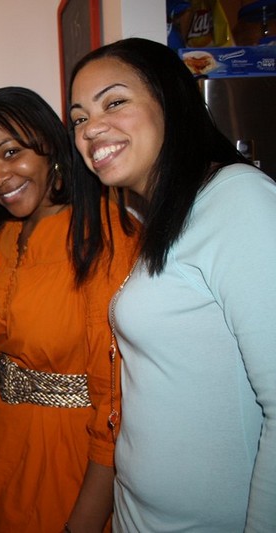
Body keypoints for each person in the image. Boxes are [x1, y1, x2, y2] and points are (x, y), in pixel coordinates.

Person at [69, 37, 276, 532]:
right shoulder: (161, 219)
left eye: (113, 103)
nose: (90, 128)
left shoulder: (239, 200)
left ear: (170, 100)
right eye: (78, 118)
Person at [0, 87, 137, 533]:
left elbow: (117, 403)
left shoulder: (105, 233)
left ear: (50, 147)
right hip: (0, 442)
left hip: (69, 457)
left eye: (11, 152)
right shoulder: (7, 234)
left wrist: (85, 521)